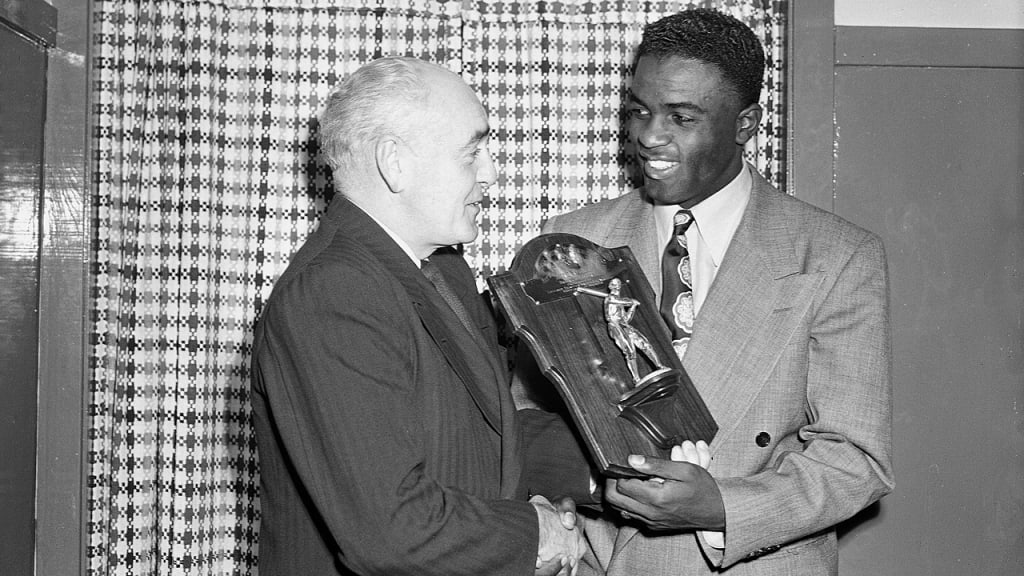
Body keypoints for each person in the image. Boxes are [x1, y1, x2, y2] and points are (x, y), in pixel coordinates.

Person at [516, 8, 893, 575]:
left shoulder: (836, 256)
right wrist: (566, 505)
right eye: (639, 111)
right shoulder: (570, 242)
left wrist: (721, 508)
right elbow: (522, 418)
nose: (648, 136)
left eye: (681, 117)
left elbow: (856, 459)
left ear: (745, 124)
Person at [250, 57, 585, 576]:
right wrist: (535, 534)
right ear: (395, 163)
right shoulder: (331, 293)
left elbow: (487, 433)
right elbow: (391, 531)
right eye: (472, 152)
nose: (491, 173)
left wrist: (615, 470)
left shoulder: (441, 271)